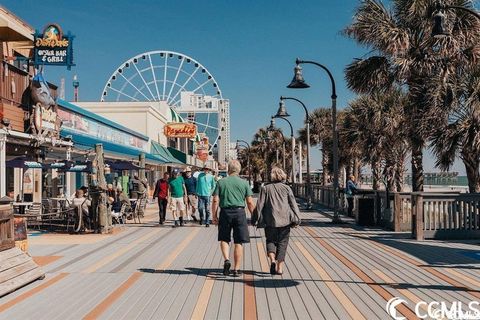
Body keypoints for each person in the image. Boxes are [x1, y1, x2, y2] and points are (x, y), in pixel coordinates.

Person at [253, 167, 301, 275]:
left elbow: (259, 205)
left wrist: (255, 218)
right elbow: (293, 204)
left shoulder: (266, 188)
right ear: (282, 175)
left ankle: (272, 261)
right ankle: (279, 268)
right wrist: (298, 218)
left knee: (270, 240)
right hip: (285, 220)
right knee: (283, 243)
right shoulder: (287, 188)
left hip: (270, 220)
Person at [212, 160, 255, 277]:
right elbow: (250, 202)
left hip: (225, 213)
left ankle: (226, 260)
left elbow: (215, 200)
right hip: (240, 213)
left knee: (224, 238)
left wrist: (214, 215)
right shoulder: (244, 183)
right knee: (238, 241)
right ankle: (236, 269)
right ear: (239, 169)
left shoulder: (221, 182)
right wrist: (254, 215)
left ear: (228, 169)